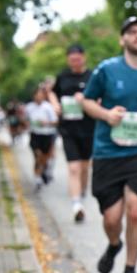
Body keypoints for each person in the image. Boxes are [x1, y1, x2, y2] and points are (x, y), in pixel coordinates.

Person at [81, 16, 137, 273]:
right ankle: (114, 243)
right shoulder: (106, 70)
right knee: (111, 219)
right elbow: (86, 102)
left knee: (135, 210)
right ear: (123, 39)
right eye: (132, 32)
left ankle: (130, 268)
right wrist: (106, 115)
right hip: (108, 152)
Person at [49, 43, 96, 222]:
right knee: (73, 168)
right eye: (71, 59)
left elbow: (101, 97)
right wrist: (55, 104)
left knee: (84, 167)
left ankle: (81, 192)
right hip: (68, 129)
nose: (75, 62)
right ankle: (76, 205)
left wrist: (86, 100)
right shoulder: (62, 76)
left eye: (77, 59)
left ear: (84, 57)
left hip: (89, 128)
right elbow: (52, 93)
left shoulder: (92, 76)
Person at [25, 84, 58, 191]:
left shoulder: (48, 107)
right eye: (37, 95)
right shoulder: (29, 107)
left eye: (41, 95)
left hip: (47, 134)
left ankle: (43, 170)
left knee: (44, 157)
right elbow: (25, 120)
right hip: (35, 134)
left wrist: (46, 123)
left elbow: (55, 122)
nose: (39, 97)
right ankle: (37, 178)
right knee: (37, 156)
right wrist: (27, 123)